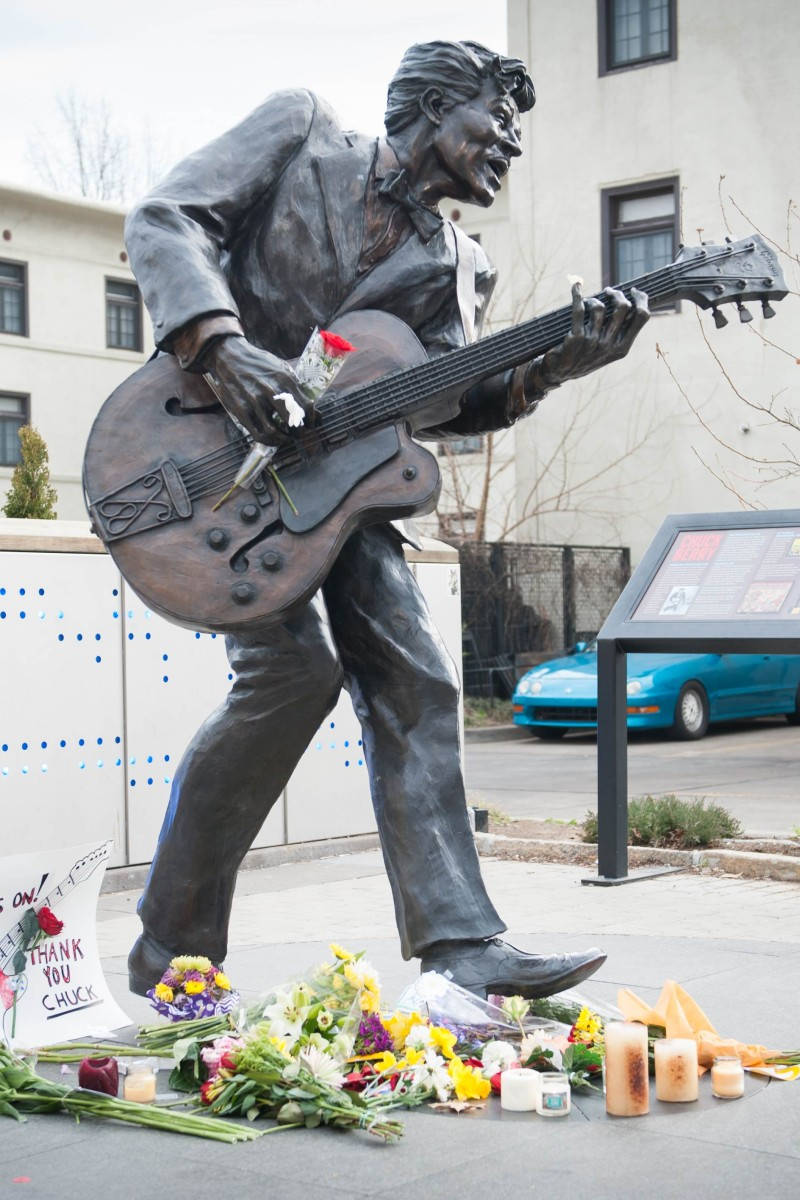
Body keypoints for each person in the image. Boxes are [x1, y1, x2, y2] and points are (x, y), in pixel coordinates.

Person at [124, 40, 649, 1000]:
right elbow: (165, 218)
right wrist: (223, 347)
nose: (512, 146)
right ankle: (174, 948)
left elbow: (448, 399)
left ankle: (460, 947)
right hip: (202, 454)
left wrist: (553, 365)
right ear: (438, 105)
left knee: (417, 679)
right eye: (501, 120)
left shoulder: (462, 266)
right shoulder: (299, 133)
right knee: (293, 671)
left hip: (343, 493)